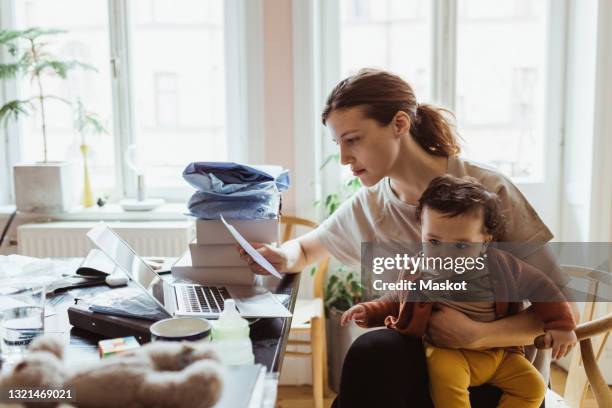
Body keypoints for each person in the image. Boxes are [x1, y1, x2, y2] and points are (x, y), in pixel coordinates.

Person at [238, 69, 580, 407]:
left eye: (353, 139)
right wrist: (281, 255)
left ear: (400, 124)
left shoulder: (485, 191)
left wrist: (477, 335)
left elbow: (563, 306)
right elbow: (304, 249)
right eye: (338, 143)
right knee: (372, 354)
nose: (343, 158)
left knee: (375, 369)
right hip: (427, 362)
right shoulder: (369, 205)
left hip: (499, 370)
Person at [341, 175, 577, 408]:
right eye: (433, 242)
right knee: (447, 386)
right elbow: (395, 299)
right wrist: (369, 311)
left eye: (461, 246)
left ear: (485, 241)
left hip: (499, 355)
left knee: (532, 387)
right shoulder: (420, 269)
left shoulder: (503, 267)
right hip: (448, 353)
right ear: (421, 233)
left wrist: (561, 325)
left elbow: (543, 288)